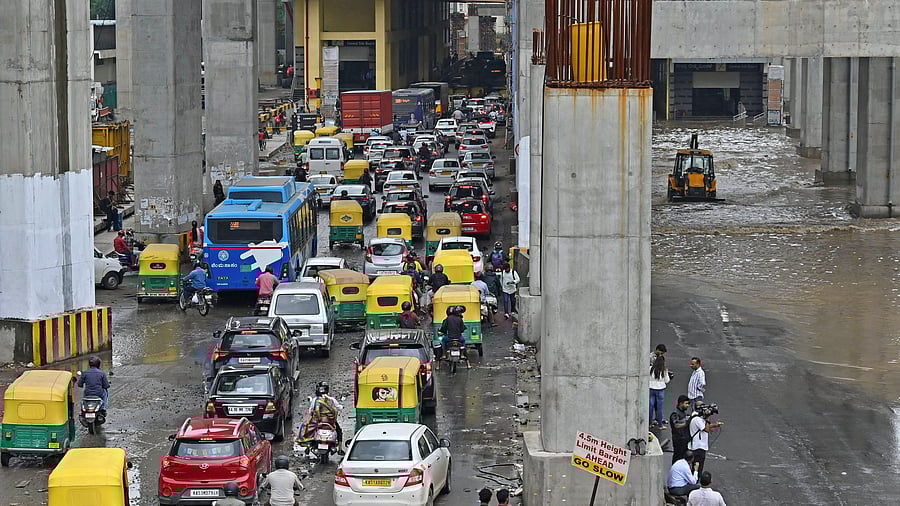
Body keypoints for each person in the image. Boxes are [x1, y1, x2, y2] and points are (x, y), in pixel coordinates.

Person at [298, 381, 344, 453]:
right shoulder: (332, 400)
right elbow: (339, 408)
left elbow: (311, 411)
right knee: (339, 431)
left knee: (306, 428)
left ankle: (308, 446)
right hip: (330, 422)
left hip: (318, 422)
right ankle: (340, 449)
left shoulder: (315, 400)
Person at [688, 403, 722, 474]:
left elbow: (704, 426)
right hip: (698, 447)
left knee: (697, 468)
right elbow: (706, 429)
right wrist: (707, 417)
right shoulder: (697, 419)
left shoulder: (699, 418)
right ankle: (695, 482)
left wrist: (715, 425)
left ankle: (695, 480)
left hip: (699, 447)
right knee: (697, 469)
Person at [670, 395, 692, 464]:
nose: (688, 405)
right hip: (678, 440)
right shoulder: (675, 413)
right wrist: (686, 423)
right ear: (681, 403)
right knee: (677, 457)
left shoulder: (683, 413)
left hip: (684, 439)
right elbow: (676, 425)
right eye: (686, 403)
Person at [650, 354, 670, 428]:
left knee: (650, 407)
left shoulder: (650, 368)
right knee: (659, 408)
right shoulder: (664, 370)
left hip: (651, 389)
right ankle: (660, 425)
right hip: (660, 389)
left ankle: (649, 423)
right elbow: (667, 380)